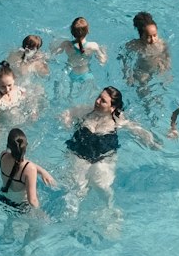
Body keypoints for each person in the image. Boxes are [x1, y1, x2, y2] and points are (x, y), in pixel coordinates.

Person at [62, 86, 157, 214]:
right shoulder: (86, 111)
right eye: (98, 97)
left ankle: (111, 210)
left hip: (104, 157)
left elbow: (136, 129)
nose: (97, 101)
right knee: (78, 188)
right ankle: (73, 214)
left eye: (103, 101)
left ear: (112, 107)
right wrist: (66, 120)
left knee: (101, 186)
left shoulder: (117, 119)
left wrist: (151, 142)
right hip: (79, 153)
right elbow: (68, 112)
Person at [0, 128, 56, 210]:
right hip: (21, 207)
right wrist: (40, 214)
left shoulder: (2, 155)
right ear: (25, 146)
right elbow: (32, 200)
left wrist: (42, 171)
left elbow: (20, 164)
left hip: (3, 199)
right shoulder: (29, 169)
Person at [120, 11, 171, 90]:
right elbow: (124, 57)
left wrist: (166, 71)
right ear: (141, 35)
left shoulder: (162, 43)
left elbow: (167, 57)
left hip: (157, 69)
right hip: (142, 71)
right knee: (143, 89)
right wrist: (127, 75)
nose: (153, 39)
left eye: (155, 35)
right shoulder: (134, 45)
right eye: (148, 36)